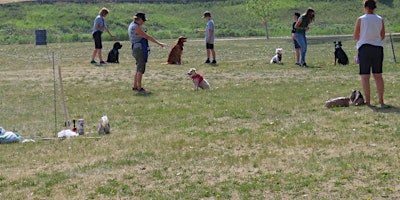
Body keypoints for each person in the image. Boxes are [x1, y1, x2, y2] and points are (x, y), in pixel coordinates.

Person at [353, 0, 386, 107]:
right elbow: (382, 36)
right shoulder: (380, 19)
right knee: (378, 76)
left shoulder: (361, 19)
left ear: (365, 7)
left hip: (364, 48)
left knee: (365, 76)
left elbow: (356, 36)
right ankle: (381, 100)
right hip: (377, 48)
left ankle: (368, 101)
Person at [128, 12, 167, 93]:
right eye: (143, 20)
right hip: (139, 48)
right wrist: (159, 43)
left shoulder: (132, 25)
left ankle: (135, 86)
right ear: (138, 19)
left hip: (136, 48)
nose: (143, 22)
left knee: (138, 68)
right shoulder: (136, 27)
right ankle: (139, 88)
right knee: (141, 69)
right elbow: (146, 36)